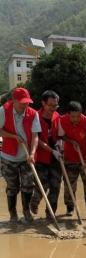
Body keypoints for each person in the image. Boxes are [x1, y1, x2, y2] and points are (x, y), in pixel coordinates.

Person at [0, 87, 41, 223]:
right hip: (8, 156)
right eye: (22, 102)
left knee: (28, 185)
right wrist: (13, 136)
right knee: (12, 187)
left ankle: (26, 212)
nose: (25, 105)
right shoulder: (3, 111)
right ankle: (13, 213)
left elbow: (35, 136)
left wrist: (33, 153)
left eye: (27, 102)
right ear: (13, 101)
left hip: (26, 156)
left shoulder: (33, 114)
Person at [59, 101, 86, 221]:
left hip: (85, 156)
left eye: (78, 116)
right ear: (68, 114)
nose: (76, 119)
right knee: (69, 184)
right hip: (70, 157)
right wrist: (71, 141)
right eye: (73, 116)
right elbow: (61, 136)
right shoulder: (62, 120)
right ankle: (70, 207)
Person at [30, 90, 62, 219]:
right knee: (42, 185)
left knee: (55, 186)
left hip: (56, 157)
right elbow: (37, 139)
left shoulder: (57, 117)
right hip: (41, 157)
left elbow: (60, 135)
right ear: (43, 103)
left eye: (55, 105)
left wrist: (59, 146)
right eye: (50, 105)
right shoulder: (35, 117)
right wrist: (51, 151)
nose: (53, 108)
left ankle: (50, 213)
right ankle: (35, 202)